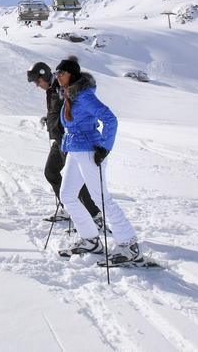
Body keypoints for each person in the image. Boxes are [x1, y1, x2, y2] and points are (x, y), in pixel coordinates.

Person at [53, 55, 141, 264]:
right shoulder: (68, 95)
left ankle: (129, 244)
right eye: (56, 73)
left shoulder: (83, 96)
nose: (57, 77)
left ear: (71, 75)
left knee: (101, 198)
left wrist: (105, 147)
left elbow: (110, 118)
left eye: (61, 73)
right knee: (67, 195)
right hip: (75, 151)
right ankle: (91, 239)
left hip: (89, 151)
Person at [26, 62, 104, 229]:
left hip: (69, 140)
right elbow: (59, 111)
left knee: (76, 179)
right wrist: (50, 120)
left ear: (44, 75)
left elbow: (72, 109)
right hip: (58, 139)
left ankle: (94, 215)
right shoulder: (52, 89)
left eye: (37, 81)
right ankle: (68, 208)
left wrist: (64, 127)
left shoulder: (61, 88)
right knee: (51, 171)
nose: (37, 85)